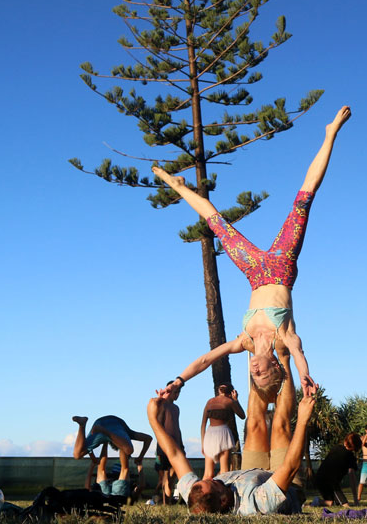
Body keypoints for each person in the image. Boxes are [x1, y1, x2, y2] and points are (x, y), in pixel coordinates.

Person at [152, 106, 351, 401]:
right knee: (304, 198)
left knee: (217, 223)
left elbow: (206, 360)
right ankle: (330, 133)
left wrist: (179, 381)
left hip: (255, 272)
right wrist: (307, 377)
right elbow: (298, 354)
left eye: (254, 376)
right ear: (274, 366)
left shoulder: (243, 341)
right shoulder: (284, 337)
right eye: (263, 374)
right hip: (282, 267)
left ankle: (179, 187)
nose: (255, 371)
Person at [147, 385, 317, 514]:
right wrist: (302, 420)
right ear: (222, 501)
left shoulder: (196, 493)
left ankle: (262, 358)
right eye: (215, 482)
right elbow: (289, 468)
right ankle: (285, 359)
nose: (217, 479)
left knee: (254, 424)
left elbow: (175, 455)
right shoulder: (255, 503)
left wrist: (153, 420)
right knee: (280, 425)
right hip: (285, 483)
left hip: (252, 475)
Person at [71, 415, 152, 497]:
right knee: (128, 452)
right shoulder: (126, 432)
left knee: (77, 454)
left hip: (100, 424)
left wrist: (93, 452)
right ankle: (100, 430)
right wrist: (140, 457)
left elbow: (148, 439)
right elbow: (148, 439)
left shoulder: (125, 433)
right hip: (114, 424)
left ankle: (82, 425)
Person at [201, 384, 246, 478]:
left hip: (210, 435)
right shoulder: (230, 402)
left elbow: (203, 424)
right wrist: (236, 400)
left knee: (208, 474)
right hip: (223, 433)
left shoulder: (209, 402)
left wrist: (203, 444)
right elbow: (242, 415)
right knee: (224, 471)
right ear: (230, 393)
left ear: (219, 391)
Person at [151, 382, 184, 504]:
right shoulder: (162, 405)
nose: (177, 395)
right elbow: (154, 414)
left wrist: (180, 443)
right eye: (175, 392)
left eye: (178, 393)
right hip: (164, 444)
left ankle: (168, 498)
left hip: (176, 443)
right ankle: (165, 501)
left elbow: (177, 427)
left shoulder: (176, 408)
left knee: (174, 473)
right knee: (165, 475)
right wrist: (160, 398)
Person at [314, 433, 362, 506]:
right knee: (345, 506)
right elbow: (352, 476)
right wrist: (355, 499)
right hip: (331, 481)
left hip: (319, 479)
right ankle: (318, 501)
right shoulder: (349, 456)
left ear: (345, 441)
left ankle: (317, 502)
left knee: (331, 503)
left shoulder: (336, 448)